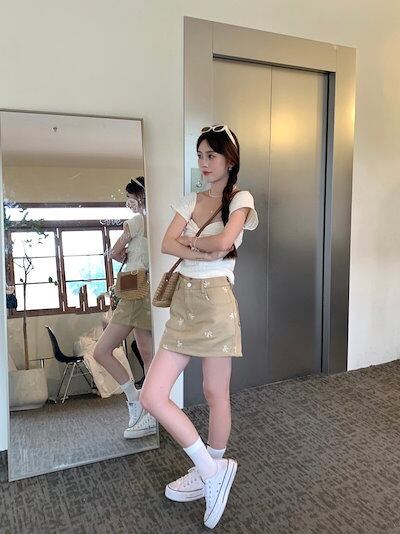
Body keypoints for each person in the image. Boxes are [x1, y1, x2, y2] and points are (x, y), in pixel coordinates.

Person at [140, 125, 258, 529]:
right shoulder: (189, 198)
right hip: (185, 301)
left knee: (214, 392)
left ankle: (212, 467)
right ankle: (211, 470)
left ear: (230, 160)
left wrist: (192, 242)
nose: (204, 163)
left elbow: (225, 243)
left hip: (217, 301)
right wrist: (204, 247)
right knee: (152, 395)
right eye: (200, 155)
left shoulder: (241, 198)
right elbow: (165, 244)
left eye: (212, 155)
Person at [93, 176, 155, 439]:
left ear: (139, 197)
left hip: (134, 290)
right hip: (146, 288)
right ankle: (149, 408)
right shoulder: (156, 221)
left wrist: (124, 254)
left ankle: (135, 399)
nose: (128, 202)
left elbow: (114, 253)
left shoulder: (137, 221)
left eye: (130, 197)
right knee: (147, 353)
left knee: (101, 350)